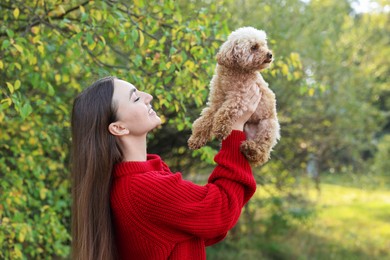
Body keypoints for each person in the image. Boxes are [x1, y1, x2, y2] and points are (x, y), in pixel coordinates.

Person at [70, 76, 261, 260]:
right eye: (135, 98)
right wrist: (235, 128)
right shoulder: (142, 188)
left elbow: (204, 228)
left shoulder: (136, 180)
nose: (148, 97)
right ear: (119, 128)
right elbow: (221, 209)